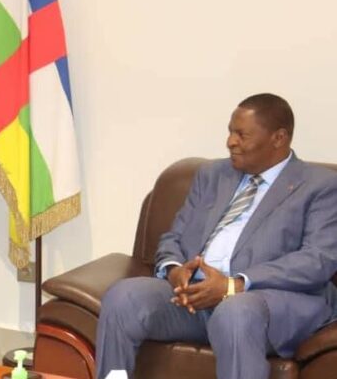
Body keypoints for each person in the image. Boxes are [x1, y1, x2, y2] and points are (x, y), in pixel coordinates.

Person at [96, 93, 337, 379]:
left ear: (279, 138)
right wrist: (174, 271)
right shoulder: (212, 175)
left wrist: (234, 285)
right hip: (194, 298)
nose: (230, 142)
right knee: (123, 297)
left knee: (235, 312)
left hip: (267, 302)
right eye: (230, 132)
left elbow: (317, 260)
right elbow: (174, 236)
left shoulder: (320, 185)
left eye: (241, 134)